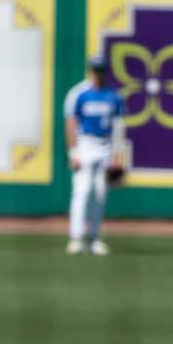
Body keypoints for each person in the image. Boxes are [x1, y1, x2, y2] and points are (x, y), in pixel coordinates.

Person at [62, 54, 125, 256]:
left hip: (105, 147)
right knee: (81, 192)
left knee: (99, 194)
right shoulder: (79, 93)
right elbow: (71, 123)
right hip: (85, 144)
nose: (97, 73)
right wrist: (73, 152)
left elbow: (118, 127)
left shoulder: (113, 95)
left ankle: (94, 239)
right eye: (94, 69)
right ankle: (76, 238)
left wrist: (117, 154)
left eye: (100, 69)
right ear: (89, 70)